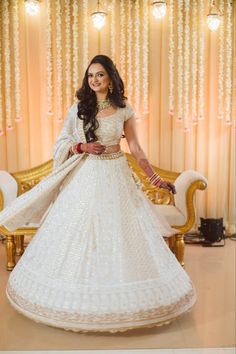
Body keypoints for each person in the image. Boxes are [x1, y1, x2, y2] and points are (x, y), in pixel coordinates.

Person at [0, 55, 196, 333]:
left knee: (120, 233)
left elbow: (137, 149)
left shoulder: (124, 108)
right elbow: (62, 142)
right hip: (87, 175)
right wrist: (81, 147)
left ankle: (123, 300)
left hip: (116, 175)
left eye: (100, 75)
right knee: (80, 231)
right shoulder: (80, 107)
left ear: (110, 78)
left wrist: (155, 179)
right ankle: (78, 297)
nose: (94, 80)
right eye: (90, 75)